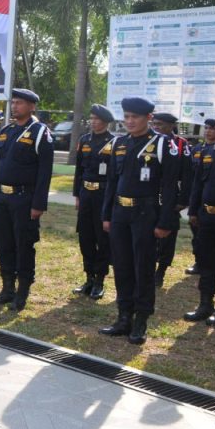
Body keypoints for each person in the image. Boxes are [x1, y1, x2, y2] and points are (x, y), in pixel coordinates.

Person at [100, 97, 180, 345]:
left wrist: (165, 222)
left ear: (149, 118)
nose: (130, 121)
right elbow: (112, 183)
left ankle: (141, 320)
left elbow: (170, 187)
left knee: (142, 267)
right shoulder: (119, 143)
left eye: (135, 117)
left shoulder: (163, 144)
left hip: (146, 214)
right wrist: (106, 215)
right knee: (122, 266)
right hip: (120, 214)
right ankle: (124, 317)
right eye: (127, 117)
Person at [0, 89, 54, 311]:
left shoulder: (40, 132)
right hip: (2, 197)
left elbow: (45, 173)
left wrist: (38, 205)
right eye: (13, 102)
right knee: (3, 243)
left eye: (20, 103)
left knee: (23, 245)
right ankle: (7, 288)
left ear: (32, 106)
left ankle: (22, 292)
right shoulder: (6, 131)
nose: (14, 107)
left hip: (24, 199)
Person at [71, 104, 117, 300]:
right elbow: (79, 171)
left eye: (97, 119)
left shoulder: (114, 142)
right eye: (92, 118)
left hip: (103, 195)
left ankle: (99, 280)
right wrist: (77, 195)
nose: (93, 122)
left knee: (102, 239)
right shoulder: (84, 140)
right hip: (86, 195)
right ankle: (89, 277)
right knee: (86, 238)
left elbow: (115, 175)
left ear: (105, 122)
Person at [187, 110, 215, 326]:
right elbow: (197, 184)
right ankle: (205, 304)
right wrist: (193, 211)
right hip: (206, 217)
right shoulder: (209, 151)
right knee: (207, 262)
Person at [151, 112, 192, 288]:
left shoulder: (181, 144)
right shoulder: (150, 141)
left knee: (168, 236)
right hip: (150, 197)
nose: (157, 127)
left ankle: (161, 271)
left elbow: (188, 175)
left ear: (171, 126)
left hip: (171, 197)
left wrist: (182, 200)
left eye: (160, 124)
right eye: (155, 124)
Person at [186, 118, 215, 276]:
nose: (209, 131)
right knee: (197, 233)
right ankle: (199, 261)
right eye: (206, 128)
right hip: (198, 197)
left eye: (212, 128)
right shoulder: (197, 149)